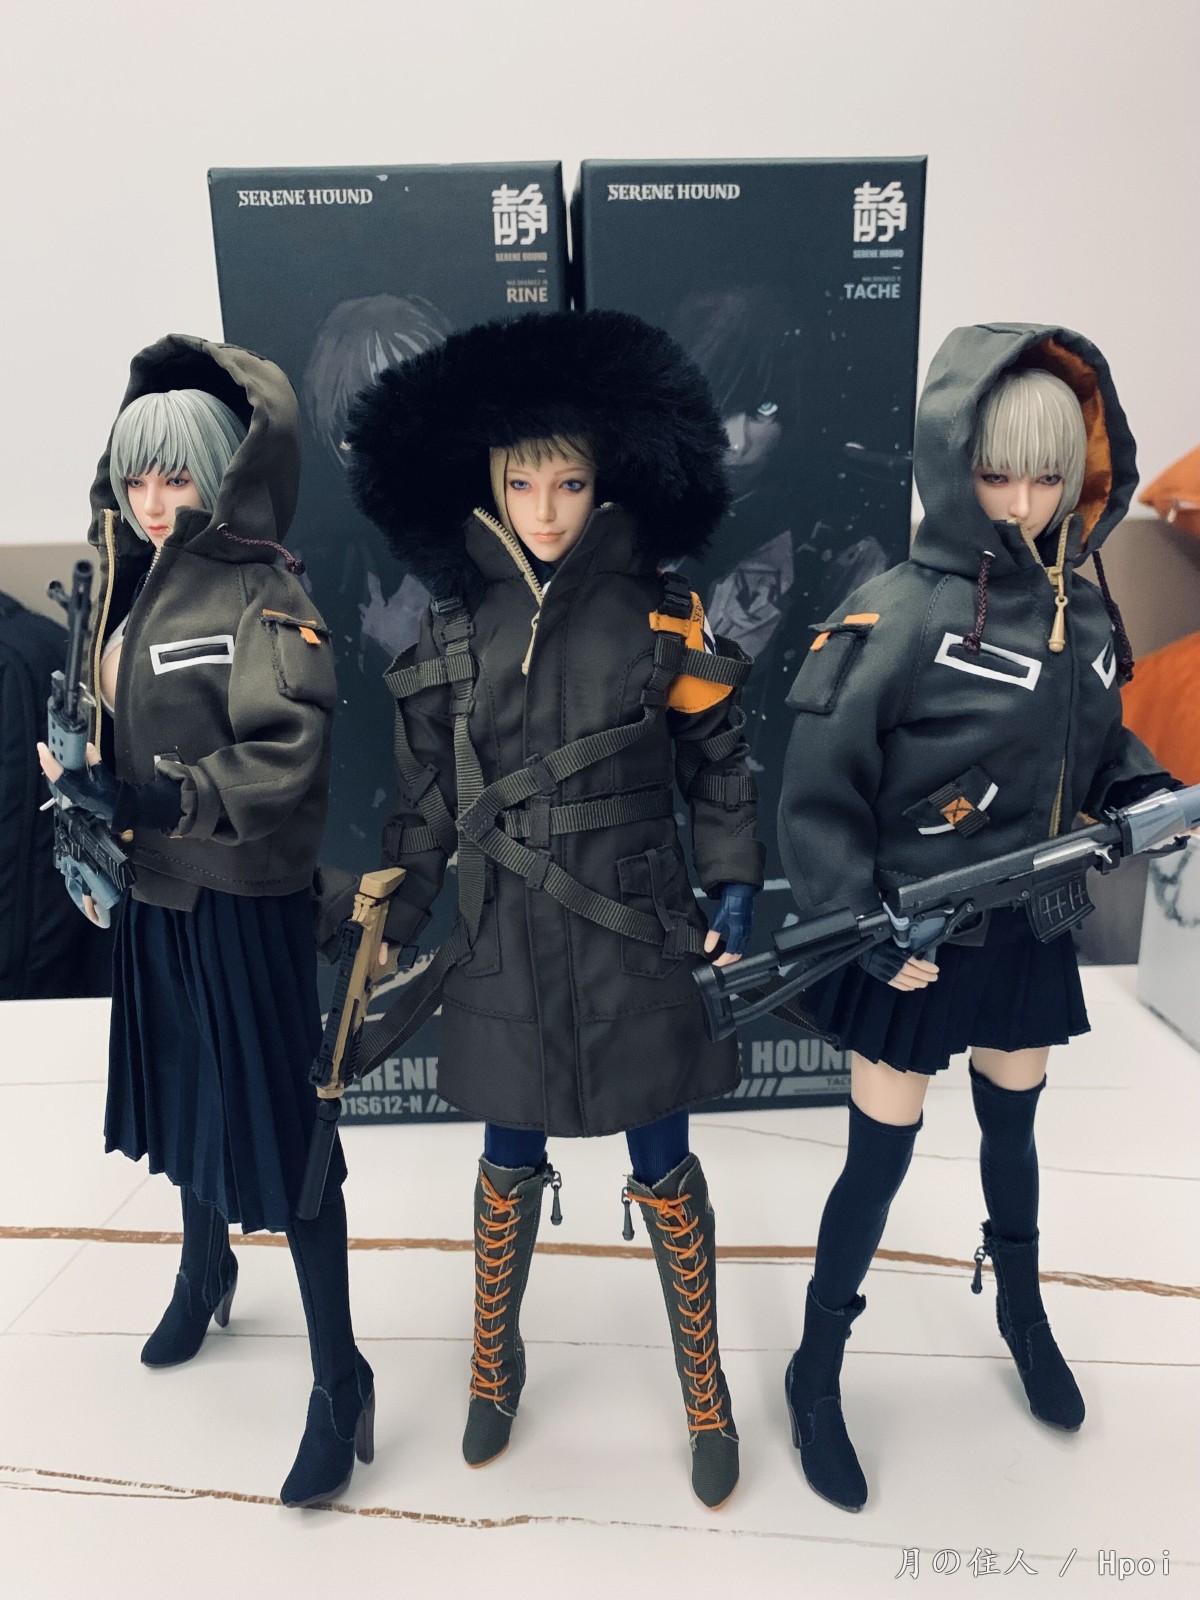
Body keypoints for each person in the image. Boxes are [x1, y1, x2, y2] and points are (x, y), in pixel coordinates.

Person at [346, 309, 765, 1509]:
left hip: (637, 928)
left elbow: (718, 760)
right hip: (502, 936)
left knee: (664, 1156)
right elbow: (426, 804)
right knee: (506, 1154)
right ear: (485, 483)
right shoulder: (451, 629)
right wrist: (398, 918)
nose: (544, 509)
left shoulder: (661, 614)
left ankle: (703, 1383)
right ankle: (496, 1362)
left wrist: (734, 872)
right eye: (521, 482)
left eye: (568, 482)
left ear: (604, 483)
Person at [777, 322, 1182, 1512]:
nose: (1021, 501)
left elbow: (1098, 745)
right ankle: (817, 1362)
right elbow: (820, 784)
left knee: (1015, 1135)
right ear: (954, 468)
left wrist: (1143, 792)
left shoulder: (1086, 611)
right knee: (880, 1156)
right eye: (996, 474)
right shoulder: (901, 612)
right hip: (917, 931)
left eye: (1045, 476)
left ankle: (1021, 1310)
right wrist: (860, 921)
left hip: (1031, 923)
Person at [35, 335, 371, 1509]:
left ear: (227, 470)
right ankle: (202, 1270)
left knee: (287, 1136)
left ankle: (341, 1377)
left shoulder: (264, 593)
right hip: (148, 895)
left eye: (176, 473)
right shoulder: (127, 588)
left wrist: (156, 795)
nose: (151, 498)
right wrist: (82, 777)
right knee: (181, 1095)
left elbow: (287, 752)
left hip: (238, 902)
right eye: (137, 475)